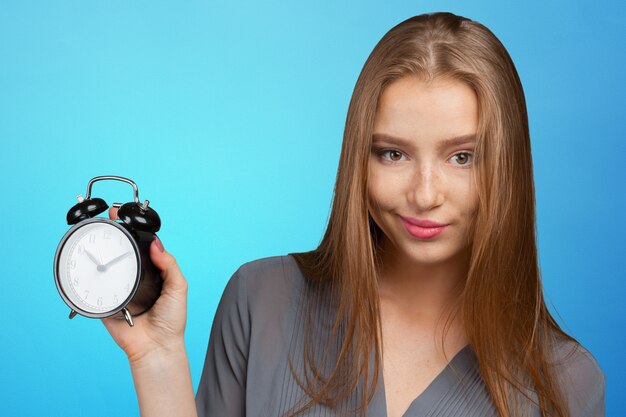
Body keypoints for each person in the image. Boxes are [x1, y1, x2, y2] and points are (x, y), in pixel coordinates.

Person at [102, 11, 605, 417]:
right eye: (393, 153)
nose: (425, 194)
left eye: (462, 157)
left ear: (508, 165)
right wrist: (157, 358)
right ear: (356, 159)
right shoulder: (263, 301)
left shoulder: (568, 380)